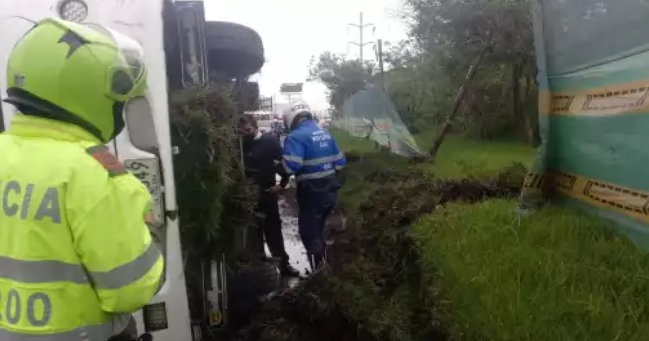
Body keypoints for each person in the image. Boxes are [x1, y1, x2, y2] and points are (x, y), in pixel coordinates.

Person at [0, 18, 164, 341]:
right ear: (91, 96)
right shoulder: (97, 176)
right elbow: (132, 289)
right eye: (119, 105)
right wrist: (149, 233)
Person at [282, 101, 346, 271]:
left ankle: (319, 275)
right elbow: (340, 163)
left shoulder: (295, 137)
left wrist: (278, 164)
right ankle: (324, 264)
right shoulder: (325, 133)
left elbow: (291, 166)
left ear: (291, 119)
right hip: (330, 191)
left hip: (311, 192)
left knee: (309, 232)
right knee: (318, 227)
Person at [238, 114, 300, 277]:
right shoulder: (239, 145)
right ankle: (260, 266)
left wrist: (282, 184)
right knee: (253, 231)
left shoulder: (269, 142)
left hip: (266, 194)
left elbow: (282, 163)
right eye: (242, 131)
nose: (245, 133)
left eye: (248, 130)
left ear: (255, 127)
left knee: (273, 230)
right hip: (248, 197)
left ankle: (284, 265)